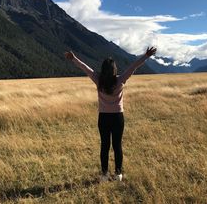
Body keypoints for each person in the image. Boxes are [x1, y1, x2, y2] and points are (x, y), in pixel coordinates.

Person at [64, 47, 156, 182]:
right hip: (118, 117)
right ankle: (118, 174)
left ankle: (104, 175)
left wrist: (73, 59)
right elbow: (133, 67)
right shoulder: (120, 80)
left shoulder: (97, 79)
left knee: (104, 145)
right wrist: (146, 56)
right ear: (114, 69)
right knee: (117, 145)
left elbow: (85, 68)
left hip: (103, 118)